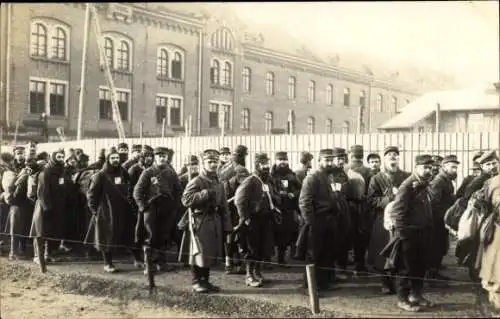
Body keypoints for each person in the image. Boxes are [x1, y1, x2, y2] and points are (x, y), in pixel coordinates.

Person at [384, 154, 435, 312]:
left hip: (422, 233)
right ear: (416, 168)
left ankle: (416, 295)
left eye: (430, 168)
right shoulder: (407, 186)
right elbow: (397, 212)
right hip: (408, 235)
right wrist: (403, 235)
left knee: (420, 266)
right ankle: (402, 299)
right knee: (405, 268)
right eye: (425, 168)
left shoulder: (423, 184)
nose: (428, 170)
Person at [181, 149, 232, 293]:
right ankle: (196, 281)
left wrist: (227, 225)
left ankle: (206, 281)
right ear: (203, 163)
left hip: (215, 220)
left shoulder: (219, 182)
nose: (213, 165)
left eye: (215, 162)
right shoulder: (197, 180)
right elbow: (185, 200)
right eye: (209, 162)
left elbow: (224, 205)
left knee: (209, 252)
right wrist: (204, 194)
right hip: (200, 220)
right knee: (199, 252)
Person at [297, 148, 343, 294]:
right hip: (316, 221)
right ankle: (309, 287)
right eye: (326, 160)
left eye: (331, 160)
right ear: (319, 161)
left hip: (329, 221)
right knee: (313, 255)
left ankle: (323, 283)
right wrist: (311, 223)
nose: (329, 163)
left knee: (326, 254)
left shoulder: (329, 177)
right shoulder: (312, 177)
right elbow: (304, 202)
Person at [367, 146, 410, 295]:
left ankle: (400, 283)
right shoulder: (376, 178)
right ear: (384, 159)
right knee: (382, 251)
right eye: (389, 155)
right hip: (382, 221)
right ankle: (384, 282)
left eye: (395, 155)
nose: (393, 157)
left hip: (402, 220)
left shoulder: (406, 176)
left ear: (399, 158)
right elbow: (371, 200)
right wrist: (389, 198)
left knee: (401, 252)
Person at [134, 147, 182, 275]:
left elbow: (178, 190)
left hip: (167, 209)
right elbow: (137, 192)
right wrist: (143, 207)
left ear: (167, 158)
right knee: (151, 236)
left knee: (164, 236)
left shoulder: (171, 173)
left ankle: (161, 263)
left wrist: (175, 206)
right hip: (152, 208)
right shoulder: (148, 172)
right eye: (159, 155)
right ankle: (148, 265)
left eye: (164, 156)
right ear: (155, 157)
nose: (162, 158)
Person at [85, 149, 135, 273]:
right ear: (108, 159)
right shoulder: (100, 175)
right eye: (112, 158)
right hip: (106, 212)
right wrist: (96, 211)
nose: (115, 160)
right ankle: (108, 263)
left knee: (126, 235)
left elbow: (130, 186)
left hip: (122, 210)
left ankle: (136, 259)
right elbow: (91, 195)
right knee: (106, 238)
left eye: (117, 158)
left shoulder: (123, 172)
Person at [234, 153, 278, 288]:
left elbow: (270, 196)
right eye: (262, 164)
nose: (266, 167)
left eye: (267, 164)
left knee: (262, 247)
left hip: (265, 220)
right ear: (257, 165)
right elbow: (239, 200)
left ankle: (257, 273)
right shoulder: (251, 180)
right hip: (252, 220)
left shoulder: (267, 181)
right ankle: (249, 275)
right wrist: (245, 218)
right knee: (251, 248)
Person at [30, 149, 72, 264]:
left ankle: (48, 254)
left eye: (62, 157)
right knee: (41, 231)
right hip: (45, 206)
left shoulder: (62, 171)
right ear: (53, 158)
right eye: (58, 157)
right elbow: (42, 192)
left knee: (53, 231)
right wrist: (47, 207)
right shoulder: (46, 172)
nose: (61, 159)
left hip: (58, 206)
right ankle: (38, 256)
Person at [427, 155, 460, 286]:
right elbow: (434, 205)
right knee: (435, 248)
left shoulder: (446, 180)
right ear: (444, 167)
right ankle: (432, 276)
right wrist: (446, 218)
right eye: (452, 167)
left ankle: (434, 272)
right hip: (437, 222)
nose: (455, 170)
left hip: (443, 221)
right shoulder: (438, 181)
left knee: (440, 247)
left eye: (456, 167)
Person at [270, 151, 301, 266]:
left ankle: (281, 259)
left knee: (285, 234)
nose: (283, 162)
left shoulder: (291, 175)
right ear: (276, 161)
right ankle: (267, 260)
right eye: (280, 159)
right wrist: (276, 195)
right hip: (274, 208)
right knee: (272, 234)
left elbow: (301, 188)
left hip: (287, 209)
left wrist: (293, 194)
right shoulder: (271, 175)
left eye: (285, 160)